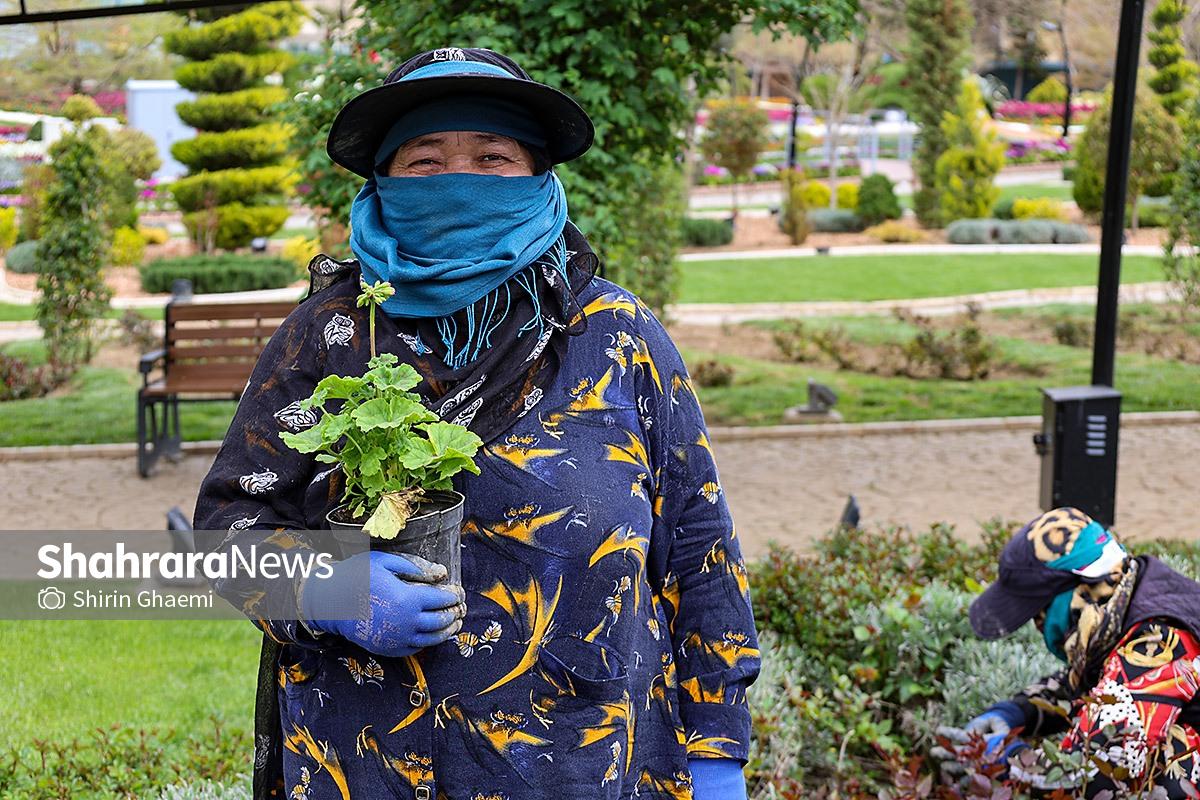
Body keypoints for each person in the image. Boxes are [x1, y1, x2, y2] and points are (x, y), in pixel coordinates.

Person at [193, 47, 759, 800]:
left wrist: (718, 751)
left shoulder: (616, 335)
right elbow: (225, 532)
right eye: (425, 161)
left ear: (538, 176)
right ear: (383, 182)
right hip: (368, 769)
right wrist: (328, 587)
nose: (459, 180)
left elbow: (699, 544)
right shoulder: (329, 335)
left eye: (493, 158)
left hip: (587, 767)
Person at [945, 507, 1200, 797]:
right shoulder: (1131, 589)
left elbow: (1092, 772)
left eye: (1038, 612)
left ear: (1079, 590)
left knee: (1164, 765)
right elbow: (1094, 684)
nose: (1038, 625)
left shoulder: (1159, 638)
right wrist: (1017, 711)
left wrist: (1003, 759)